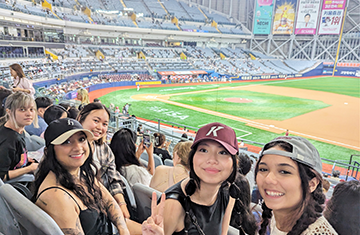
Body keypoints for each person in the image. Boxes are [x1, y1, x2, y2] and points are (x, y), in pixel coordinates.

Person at [32, 118, 130, 235]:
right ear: (49, 151)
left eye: (81, 139)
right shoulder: (57, 196)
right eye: (66, 142)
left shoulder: (80, 173)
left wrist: (123, 229)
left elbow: (109, 201)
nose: (78, 147)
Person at [163, 122, 255, 235]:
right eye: (203, 150)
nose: (212, 159)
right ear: (192, 158)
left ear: (234, 164)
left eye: (222, 152)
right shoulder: (172, 206)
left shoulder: (229, 193)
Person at [255, 136, 337, 235]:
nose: (268, 179)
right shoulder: (274, 216)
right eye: (263, 169)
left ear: (312, 184)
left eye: (284, 171)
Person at [77, 103, 130, 219]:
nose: (100, 127)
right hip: (86, 211)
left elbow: (113, 179)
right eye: (96, 121)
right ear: (81, 118)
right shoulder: (70, 150)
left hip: (104, 207)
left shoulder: (104, 149)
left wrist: (121, 204)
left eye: (105, 124)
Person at [0, 91, 39, 181]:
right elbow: (2, 176)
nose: (29, 114)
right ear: (9, 112)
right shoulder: (8, 140)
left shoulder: (19, 131)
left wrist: (24, 160)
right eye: (22, 109)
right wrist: (29, 168)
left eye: (31, 109)